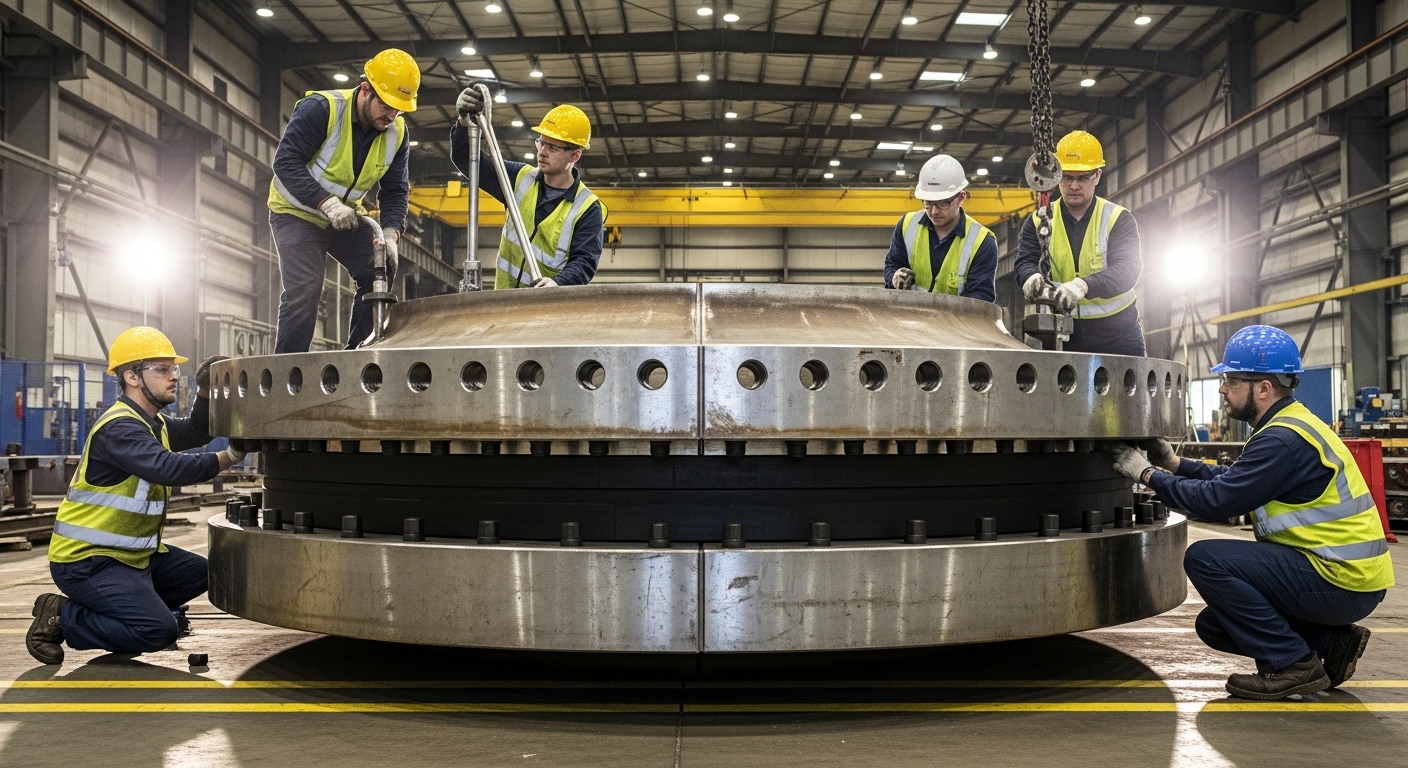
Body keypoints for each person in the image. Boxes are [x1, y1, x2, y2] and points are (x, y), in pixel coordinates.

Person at [1109, 325, 1393, 700]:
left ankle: (1295, 666)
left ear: (1263, 388)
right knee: (1216, 625)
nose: (1223, 389)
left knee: (1206, 559)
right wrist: (1173, 463)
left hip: (1341, 580)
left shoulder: (1281, 440)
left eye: (1230, 380)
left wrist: (1145, 474)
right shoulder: (1287, 425)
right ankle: (1329, 642)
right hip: (1345, 577)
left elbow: (1215, 500)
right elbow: (1233, 479)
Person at [25, 327, 245, 664]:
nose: (173, 376)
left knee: (208, 571)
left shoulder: (153, 423)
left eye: (173, 369)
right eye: (162, 369)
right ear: (131, 376)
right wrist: (230, 456)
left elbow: (198, 431)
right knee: (158, 631)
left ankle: (134, 608)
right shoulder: (121, 428)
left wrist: (204, 389)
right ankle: (63, 616)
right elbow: (168, 467)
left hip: (132, 557)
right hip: (89, 561)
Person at [268, 48, 418, 353]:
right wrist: (327, 203)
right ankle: (288, 371)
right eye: (387, 105)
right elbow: (285, 162)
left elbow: (395, 191)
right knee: (306, 289)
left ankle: (356, 357)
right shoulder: (321, 109)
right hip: (296, 214)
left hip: (346, 218)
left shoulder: (396, 133)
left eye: (399, 110)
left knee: (381, 266)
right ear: (365, 89)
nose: (391, 116)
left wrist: (390, 235)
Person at [451, 89, 606, 289]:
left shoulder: (587, 208)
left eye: (552, 148)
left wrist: (558, 283)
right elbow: (465, 159)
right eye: (541, 143)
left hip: (545, 311)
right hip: (504, 304)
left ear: (574, 156)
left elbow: (584, 262)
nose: (542, 152)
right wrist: (464, 123)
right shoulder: (519, 178)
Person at [1015, 130, 1145, 355]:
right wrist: (1030, 277)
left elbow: (1127, 270)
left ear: (1097, 175)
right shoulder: (1039, 221)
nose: (1074, 186)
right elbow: (1025, 261)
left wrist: (1083, 285)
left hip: (1117, 335)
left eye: (1083, 177)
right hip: (1062, 333)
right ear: (1056, 176)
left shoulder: (1117, 219)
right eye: (1067, 177)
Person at [883, 154, 997, 301]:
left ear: (961, 198)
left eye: (943, 203)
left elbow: (981, 298)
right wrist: (894, 277)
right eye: (928, 203)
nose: (934, 211)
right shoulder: (907, 225)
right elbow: (892, 264)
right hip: (910, 319)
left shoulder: (981, 241)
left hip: (955, 323)